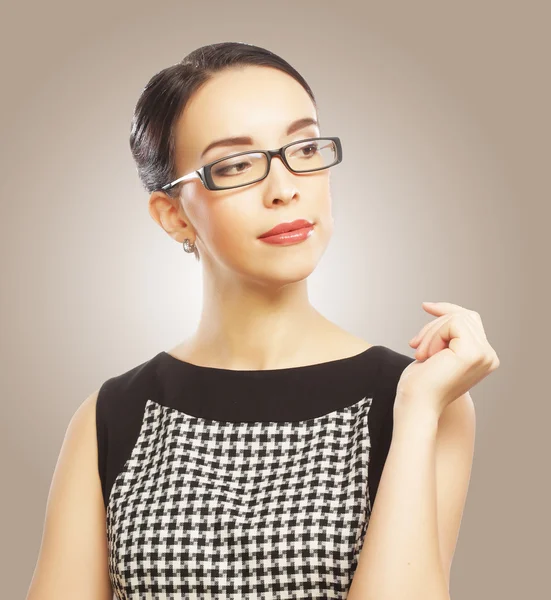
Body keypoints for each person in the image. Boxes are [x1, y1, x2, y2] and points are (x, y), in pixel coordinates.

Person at [26, 42, 426, 599]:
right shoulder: (112, 416)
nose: (285, 189)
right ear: (173, 216)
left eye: (304, 148)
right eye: (237, 165)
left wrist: (421, 413)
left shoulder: (418, 398)